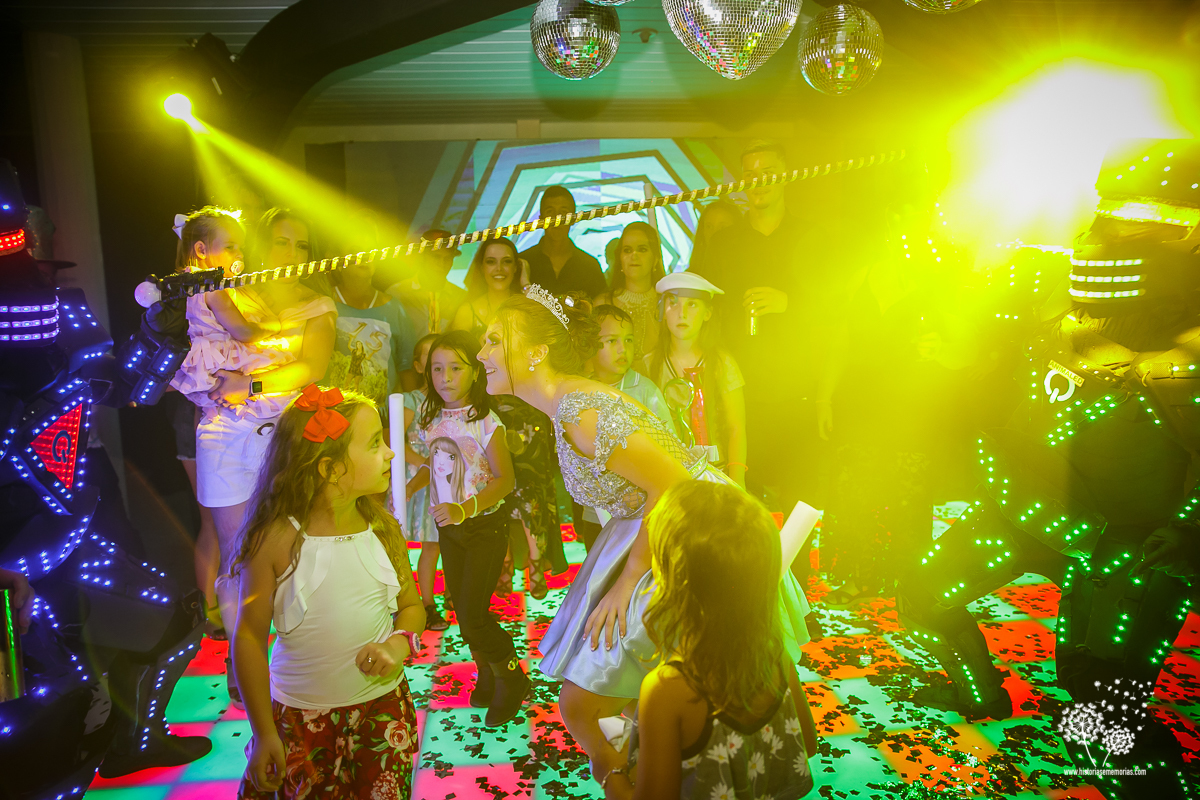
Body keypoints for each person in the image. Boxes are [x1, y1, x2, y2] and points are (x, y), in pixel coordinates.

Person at [476, 286, 811, 786]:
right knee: (615, 692)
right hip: (655, 518)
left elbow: (673, 486)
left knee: (585, 702)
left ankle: (653, 773)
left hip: (691, 525)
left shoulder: (581, 411)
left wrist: (629, 579)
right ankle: (671, 763)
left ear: (536, 352)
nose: (480, 353)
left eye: (492, 340)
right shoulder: (566, 405)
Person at [229, 387, 423, 799]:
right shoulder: (274, 541)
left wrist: (398, 644)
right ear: (330, 469)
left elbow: (411, 606)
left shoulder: (384, 529)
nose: (390, 453)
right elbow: (248, 637)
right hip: (299, 719)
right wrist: (263, 733)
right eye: (375, 443)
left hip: (381, 711)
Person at [602, 481, 817, 800]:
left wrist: (609, 772)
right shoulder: (774, 654)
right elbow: (806, 743)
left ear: (676, 578)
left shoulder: (666, 689)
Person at [198, 208, 337, 699]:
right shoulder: (230, 292)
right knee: (235, 552)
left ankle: (301, 660)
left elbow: (311, 366)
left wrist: (250, 384)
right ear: (261, 245)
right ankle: (244, 665)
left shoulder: (317, 305)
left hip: (283, 437)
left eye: (302, 246)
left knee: (290, 550)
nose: (293, 254)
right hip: (222, 433)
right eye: (282, 242)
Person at [691, 141, 843, 512]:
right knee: (739, 505)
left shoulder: (813, 237)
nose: (758, 181)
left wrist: (789, 303)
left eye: (767, 172)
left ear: (785, 175)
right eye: (750, 174)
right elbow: (707, 314)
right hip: (739, 397)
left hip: (798, 394)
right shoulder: (725, 243)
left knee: (800, 502)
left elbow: (836, 314)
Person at [169, 206, 282, 637]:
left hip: (210, 389)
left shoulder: (185, 285)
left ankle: (226, 620)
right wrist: (271, 328)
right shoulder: (212, 285)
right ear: (202, 250)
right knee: (230, 535)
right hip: (221, 374)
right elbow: (241, 331)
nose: (238, 254)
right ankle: (229, 622)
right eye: (230, 246)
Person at [408, 330, 527, 726]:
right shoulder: (432, 418)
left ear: (475, 372)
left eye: (455, 368)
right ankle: (488, 674)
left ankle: (511, 677)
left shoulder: (486, 421)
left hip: (484, 528)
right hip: (450, 531)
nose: (445, 377)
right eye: (437, 369)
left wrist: (465, 509)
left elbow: (505, 480)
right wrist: (407, 489)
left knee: (474, 614)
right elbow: (435, 465)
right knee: (463, 611)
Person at [451, 237, 567, 598]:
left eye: (507, 261)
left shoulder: (527, 306)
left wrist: (528, 285)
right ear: (480, 267)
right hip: (487, 407)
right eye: (491, 261)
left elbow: (551, 340)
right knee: (492, 483)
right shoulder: (467, 311)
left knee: (531, 484)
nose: (499, 268)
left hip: (528, 406)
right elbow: (459, 363)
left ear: (517, 266)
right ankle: (500, 562)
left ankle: (537, 561)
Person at [641, 273, 747, 488]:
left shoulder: (722, 363)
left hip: (717, 473)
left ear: (707, 313)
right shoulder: (648, 365)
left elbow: (736, 427)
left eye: (692, 305)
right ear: (662, 312)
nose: (682, 313)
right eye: (673, 303)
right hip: (667, 476)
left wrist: (737, 481)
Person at [325, 245, 415, 411]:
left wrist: (413, 413)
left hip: (383, 417)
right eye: (355, 249)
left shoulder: (394, 308)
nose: (365, 256)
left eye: (370, 251)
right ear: (337, 259)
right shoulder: (323, 303)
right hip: (334, 415)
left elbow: (407, 366)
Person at [401, 333, 447, 628]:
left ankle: (435, 600)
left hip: (445, 481)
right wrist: (424, 464)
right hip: (415, 477)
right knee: (408, 543)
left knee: (436, 543)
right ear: (419, 366)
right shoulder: (411, 400)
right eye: (429, 359)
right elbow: (395, 439)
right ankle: (411, 602)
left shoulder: (453, 402)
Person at [594, 221, 665, 361]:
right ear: (620, 258)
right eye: (627, 250)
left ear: (655, 259)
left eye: (642, 249)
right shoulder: (602, 305)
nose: (634, 255)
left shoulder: (668, 305)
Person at [520, 186, 607, 297]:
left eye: (563, 212)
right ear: (541, 219)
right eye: (550, 211)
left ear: (573, 219)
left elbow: (601, 306)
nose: (557, 218)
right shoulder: (523, 263)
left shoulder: (590, 266)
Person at [388, 227, 467, 338]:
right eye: (436, 257)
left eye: (448, 258)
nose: (442, 264)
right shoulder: (397, 292)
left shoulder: (460, 297)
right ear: (422, 257)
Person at [687, 199, 741, 275]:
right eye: (709, 226)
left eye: (722, 227)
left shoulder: (749, 270)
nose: (714, 233)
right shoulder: (689, 277)